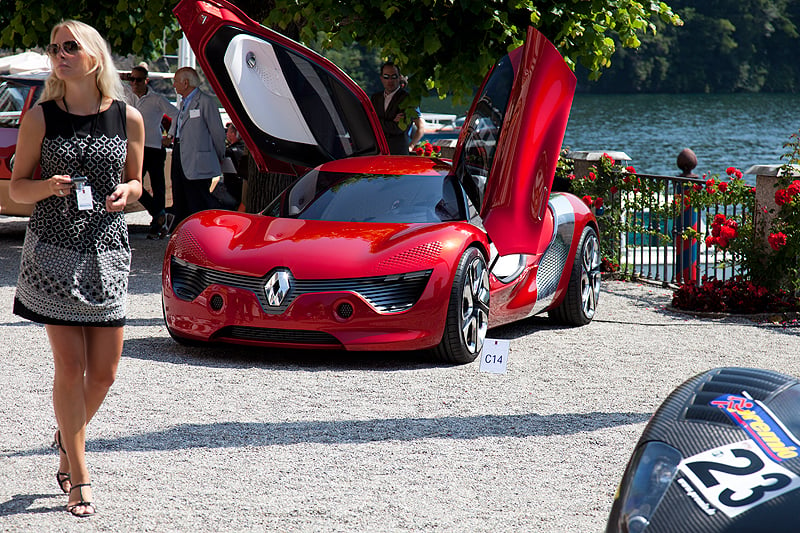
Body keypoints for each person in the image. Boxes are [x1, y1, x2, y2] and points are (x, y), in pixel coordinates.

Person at [9, 20, 144, 517]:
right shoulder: (41, 118)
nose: (60, 55)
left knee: (105, 373)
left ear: (94, 56)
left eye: (70, 46)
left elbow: (137, 184)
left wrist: (128, 194)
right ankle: (79, 477)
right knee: (70, 366)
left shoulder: (128, 118)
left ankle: (67, 438)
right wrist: (48, 186)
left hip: (107, 252)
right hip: (53, 253)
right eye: (54, 48)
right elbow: (16, 188)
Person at [167, 66, 226, 225]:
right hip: (180, 155)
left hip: (198, 162)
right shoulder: (184, 103)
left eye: (176, 82)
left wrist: (220, 155)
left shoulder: (206, 102)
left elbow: (218, 133)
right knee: (180, 199)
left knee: (198, 202)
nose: (174, 85)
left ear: (185, 83)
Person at [130, 64, 178, 239]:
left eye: (138, 79)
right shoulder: (128, 97)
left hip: (154, 148)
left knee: (158, 186)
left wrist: (170, 136)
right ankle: (159, 215)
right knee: (133, 183)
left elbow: (176, 114)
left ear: (146, 81)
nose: (134, 82)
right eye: (132, 79)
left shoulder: (156, 99)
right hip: (135, 148)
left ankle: (157, 224)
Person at [369, 62, 425, 155]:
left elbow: (397, 129)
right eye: (386, 77)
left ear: (399, 77)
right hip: (377, 152)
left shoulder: (407, 99)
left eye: (393, 76)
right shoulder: (375, 98)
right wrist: (389, 122)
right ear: (381, 78)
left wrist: (377, 122)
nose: (390, 80)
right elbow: (368, 123)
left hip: (398, 153)